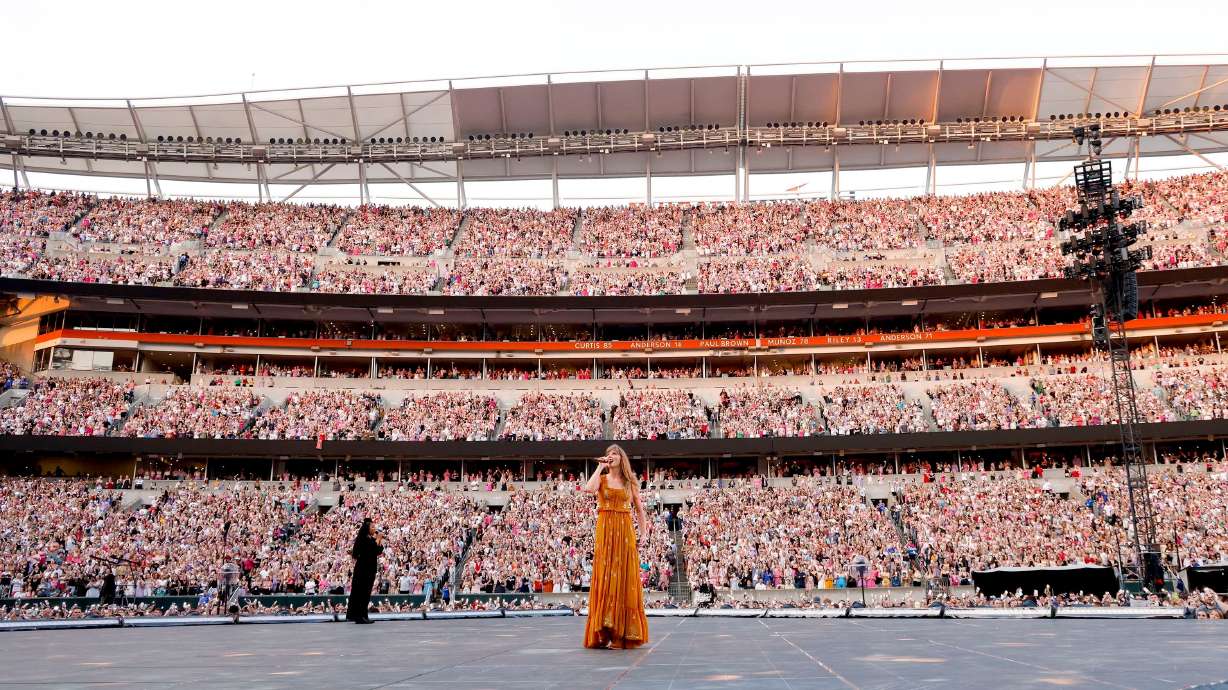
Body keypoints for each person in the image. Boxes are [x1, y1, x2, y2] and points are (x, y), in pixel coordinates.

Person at [582, 444, 650, 649]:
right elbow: (589, 489)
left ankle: (623, 633)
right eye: (608, 454)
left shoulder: (630, 482)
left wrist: (644, 533)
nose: (610, 456)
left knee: (624, 577)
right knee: (605, 576)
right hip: (605, 530)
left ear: (622, 458)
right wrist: (599, 468)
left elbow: (639, 510)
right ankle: (604, 630)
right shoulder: (601, 479)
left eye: (614, 454)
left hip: (625, 530)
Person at [346, 518, 383, 624]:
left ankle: (363, 615)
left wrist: (378, 540)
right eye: (372, 527)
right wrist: (378, 539)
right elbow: (372, 550)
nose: (374, 528)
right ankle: (359, 616)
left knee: (365, 593)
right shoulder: (364, 539)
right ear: (367, 529)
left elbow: (378, 551)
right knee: (362, 593)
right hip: (363, 570)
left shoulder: (370, 538)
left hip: (368, 569)